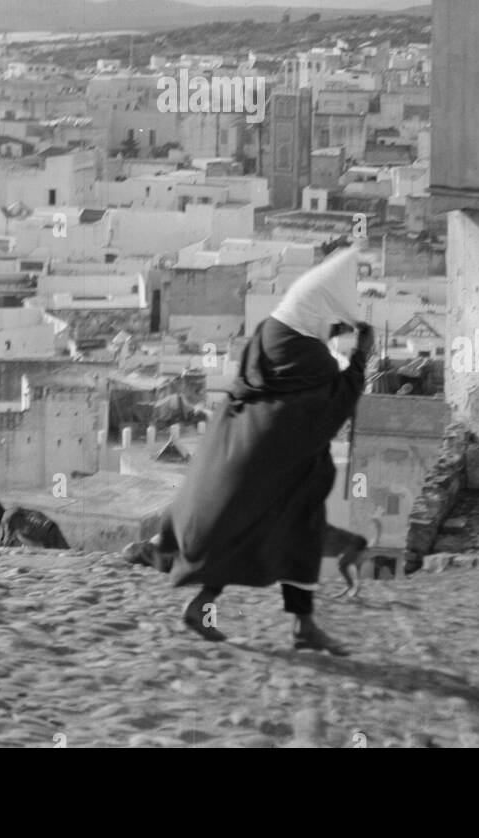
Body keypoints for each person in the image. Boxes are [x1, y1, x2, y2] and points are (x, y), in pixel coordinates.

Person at [124, 246, 375, 654]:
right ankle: (301, 625)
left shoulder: (269, 335)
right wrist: (361, 356)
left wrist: (334, 338)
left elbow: (295, 368)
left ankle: (208, 604)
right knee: (295, 535)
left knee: (236, 532)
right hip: (281, 473)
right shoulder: (314, 362)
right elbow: (336, 404)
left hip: (243, 455)